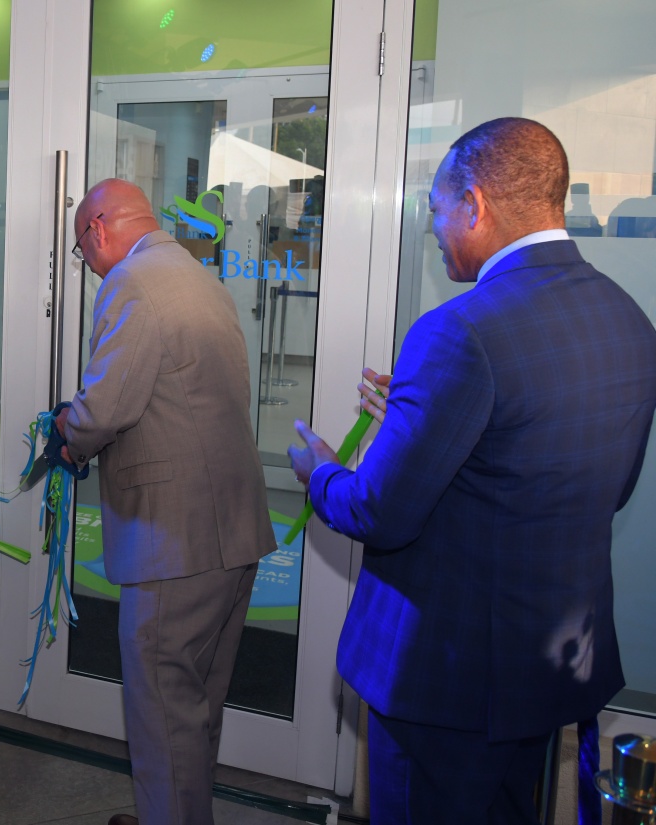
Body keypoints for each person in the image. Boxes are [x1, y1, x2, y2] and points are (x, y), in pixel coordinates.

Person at [288, 118, 656, 825]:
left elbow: (377, 511)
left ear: (474, 204)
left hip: (448, 679)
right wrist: (418, 416)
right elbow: (596, 484)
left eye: (435, 209)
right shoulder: (628, 320)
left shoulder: (459, 330)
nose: (432, 229)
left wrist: (320, 470)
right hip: (547, 668)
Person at [54, 178, 277, 825]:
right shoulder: (197, 275)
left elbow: (106, 409)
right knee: (195, 705)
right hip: (230, 529)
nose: (90, 265)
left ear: (97, 229)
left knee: (161, 710)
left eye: (82, 251)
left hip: (176, 539)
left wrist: (66, 432)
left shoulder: (132, 281)